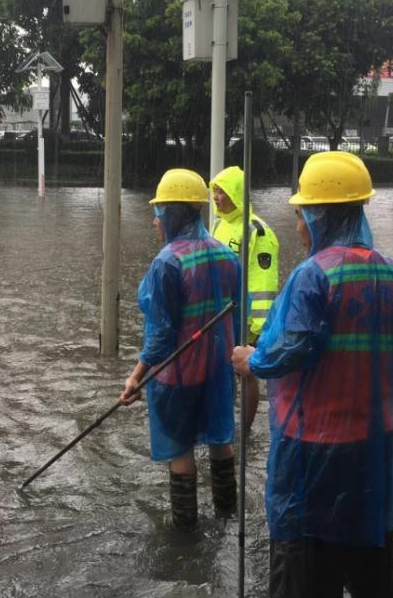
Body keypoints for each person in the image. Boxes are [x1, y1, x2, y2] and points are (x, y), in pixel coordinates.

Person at [231, 152, 393, 598]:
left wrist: (249, 360)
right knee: (369, 573)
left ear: (318, 216)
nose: (298, 227)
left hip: (313, 456)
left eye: (300, 216)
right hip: (374, 452)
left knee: (304, 574)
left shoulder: (312, 277)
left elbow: (288, 352)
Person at [120, 169, 242, 529]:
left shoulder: (167, 262)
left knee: (181, 449)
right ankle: (227, 515)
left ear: (173, 213)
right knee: (221, 439)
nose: (155, 221)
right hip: (218, 372)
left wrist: (135, 378)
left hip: (178, 375)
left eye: (159, 213)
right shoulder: (225, 255)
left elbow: (160, 335)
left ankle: (187, 535)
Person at [209, 165, 280, 430]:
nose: (216, 197)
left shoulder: (257, 231)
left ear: (236, 193)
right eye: (214, 191)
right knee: (224, 371)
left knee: (246, 373)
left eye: (221, 191)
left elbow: (264, 282)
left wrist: (258, 328)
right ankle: (227, 423)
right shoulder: (218, 225)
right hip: (219, 313)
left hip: (244, 317)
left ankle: (246, 430)